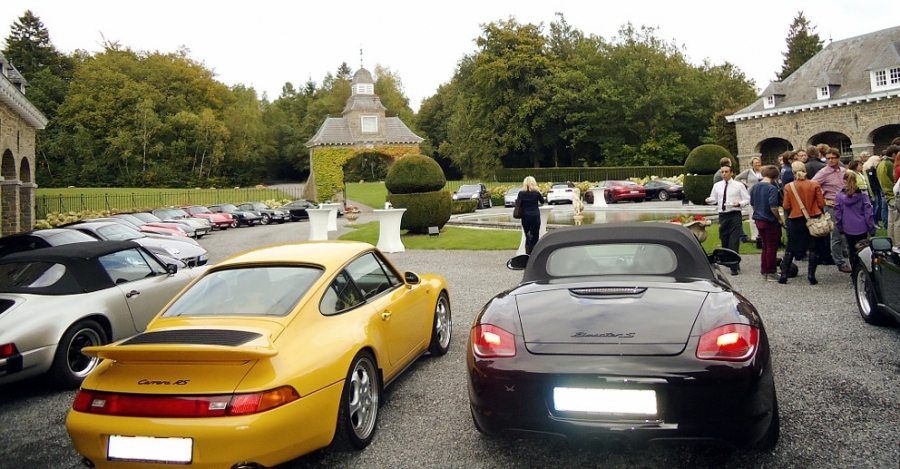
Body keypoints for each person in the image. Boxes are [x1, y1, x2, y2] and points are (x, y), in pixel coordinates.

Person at [782, 161, 827, 285]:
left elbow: (786, 205)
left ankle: (784, 275)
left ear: (793, 172)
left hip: (796, 219)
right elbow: (821, 203)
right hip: (813, 218)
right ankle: (811, 276)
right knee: (813, 247)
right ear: (805, 171)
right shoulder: (814, 184)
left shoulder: (788, 186)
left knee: (790, 247)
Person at [706, 165, 750, 275]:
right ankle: (728, 260)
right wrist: (709, 200)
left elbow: (747, 199)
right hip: (723, 214)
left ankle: (734, 266)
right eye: (722, 172)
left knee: (734, 239)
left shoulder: (738, 186)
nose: (724, 174)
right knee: (724, 238)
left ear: (732, 173)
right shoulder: (717, 186)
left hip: (734, 213)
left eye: (726, 172)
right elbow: (714, 199)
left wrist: (739, 203)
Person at [812, 148, 849, 272]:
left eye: (833, 158)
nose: (831, 160)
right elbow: (812, 186)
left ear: (838, 158)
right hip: (832, 205)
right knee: (836, 234)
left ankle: (847, 254)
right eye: (828, 158)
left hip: (846, 204)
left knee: (848, 232)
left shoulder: (843, 171)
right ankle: (839, 261)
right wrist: (823, 200)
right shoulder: (823, 172)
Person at [749, 165, 785, 282]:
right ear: (775, 176)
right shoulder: (772, 188)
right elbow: (773, 206)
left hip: (758, 218)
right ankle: (771, 271)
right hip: (769, 220)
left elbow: (753, 203)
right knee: (771, 246)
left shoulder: (755, 187)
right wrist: (779, 219)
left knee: (765, 245)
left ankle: (764, 270)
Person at [835, 172, 876, 254]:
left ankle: (853, 265)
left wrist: (840, 228)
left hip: (847, 227)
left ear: (844, 181)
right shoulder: (863, 195)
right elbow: (868, 213)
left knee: (851, 249)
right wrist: (871, 228)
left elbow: (838, 214)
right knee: (864, 250)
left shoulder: (839, 196)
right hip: (862, 226)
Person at [736, 157, 763, 244]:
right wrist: (745, 184)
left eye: (758, 162)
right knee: (753, 215)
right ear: (752, 164)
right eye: (755, 163)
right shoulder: (748, 172)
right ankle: (755, 236)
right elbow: (737, 178)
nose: (757, 164)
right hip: (751, 195)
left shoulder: (763, 171)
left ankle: (762, 235)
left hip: (762, 195)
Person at [517, 176, 545, 255]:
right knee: (535, 235)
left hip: (525, 217)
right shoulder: (536, 193)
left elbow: (518, 203)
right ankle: (534, 252)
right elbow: (542, 201)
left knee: (528, 235)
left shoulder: (521, 193)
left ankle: (528, 252)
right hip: (535, 216)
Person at [877, 145, 899, 245]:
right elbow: (894, 178)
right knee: (897, 222)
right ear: (894, 154)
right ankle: (897, 243)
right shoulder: (889, 164)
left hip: (886, 193)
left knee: (891, 222)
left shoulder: (881, 163)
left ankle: (891, 241)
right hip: (893, 194)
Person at [863, 153, 885, 228]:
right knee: (876, 206)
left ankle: (876, 221)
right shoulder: (870, 169)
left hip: (875, 189)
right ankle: (874, 222)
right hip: (874, 190)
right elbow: (871, 181)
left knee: (877, 205)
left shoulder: (871, 169)